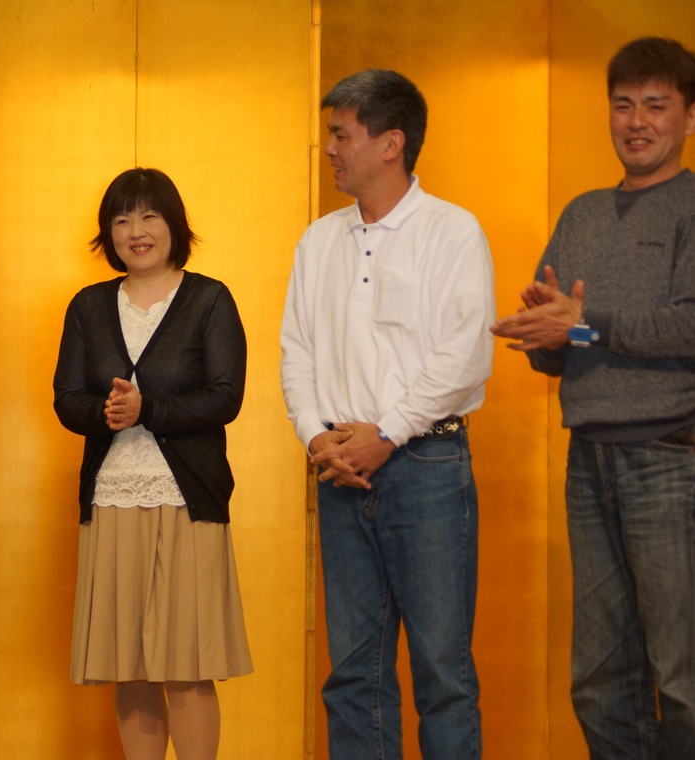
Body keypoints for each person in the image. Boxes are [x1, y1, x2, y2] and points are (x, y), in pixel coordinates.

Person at [280, 69, 495, 758]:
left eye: (342, 135)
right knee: (352, 677)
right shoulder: (319, 240)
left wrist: (389, 433)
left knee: (442, 674)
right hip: (340, 472)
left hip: (426, 465)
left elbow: (464, 355)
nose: (330, 150)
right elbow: (297, 352)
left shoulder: (452, 231)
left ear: (391, 143)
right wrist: (318, 438)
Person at [491, 36, 695, 758]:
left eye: (655, 105)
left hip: (671, 459)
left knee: (681, 678)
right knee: (601, 679)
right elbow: (572, 344)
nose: (636, 121)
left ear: (688, 117)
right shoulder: (580, 212)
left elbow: (688, 324)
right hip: (590, 462)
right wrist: (545, 337)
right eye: (622, 105)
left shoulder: (690, 204)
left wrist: (586, 322)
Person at [53, 168, 252, 760]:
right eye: (121, 219)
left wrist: (149, 408)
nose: (135, 231)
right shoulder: (88, 306)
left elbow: (226, 394)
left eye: (148, 217)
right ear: (107, 234)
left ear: (173, 225)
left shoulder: (209, 298)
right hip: (111, 498)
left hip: (187, 500)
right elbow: (67, 398)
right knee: (130, 662)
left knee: (186, 662)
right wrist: (108, 412)